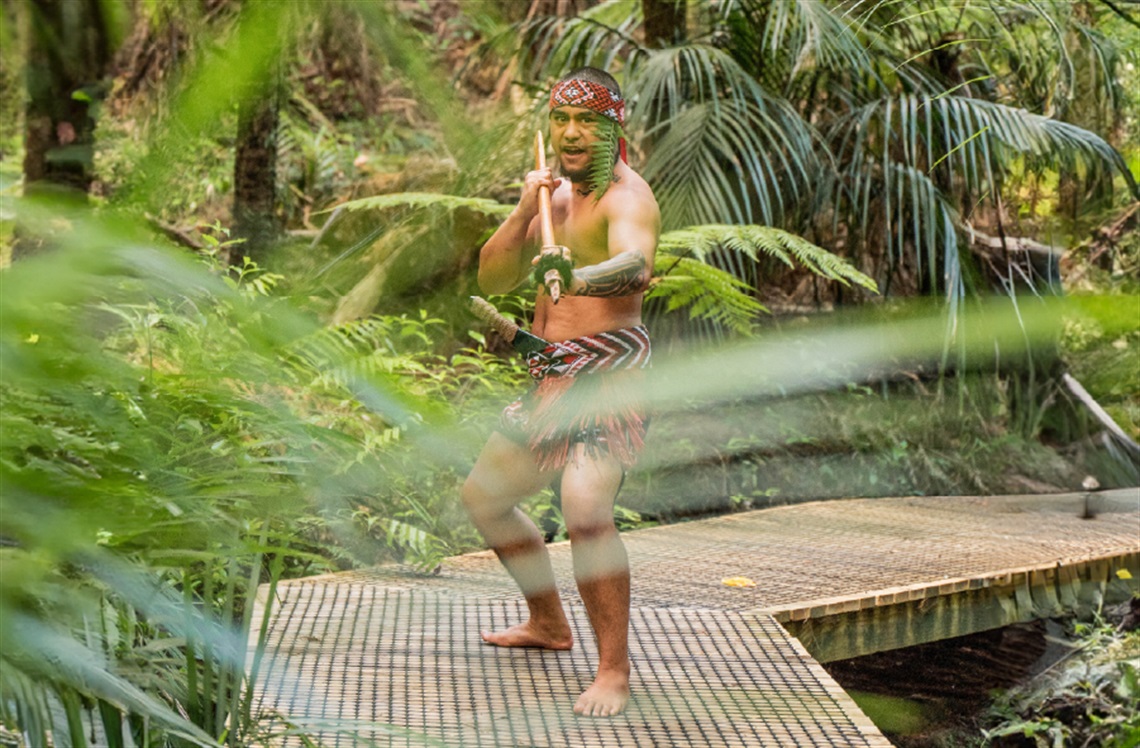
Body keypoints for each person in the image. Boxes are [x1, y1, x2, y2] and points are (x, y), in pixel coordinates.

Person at [461, 67, 660, 718]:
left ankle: (614, 671)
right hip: (550, 378)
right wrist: (525, 210)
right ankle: (548, 623)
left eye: (588, 122)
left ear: (614, 127)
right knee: (485, 498)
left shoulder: (628, 198)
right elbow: (492, 277)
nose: (572, 133)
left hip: (606, 381)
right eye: (562, 120)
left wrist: (576, 272)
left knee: (583, 505)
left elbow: (635, 266)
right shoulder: (552, 196)